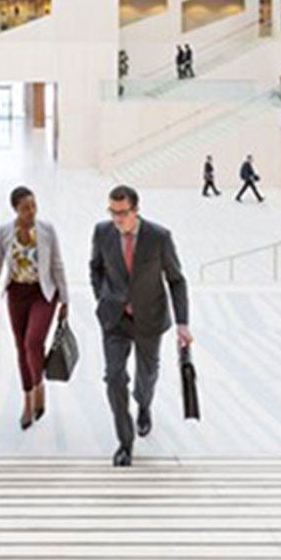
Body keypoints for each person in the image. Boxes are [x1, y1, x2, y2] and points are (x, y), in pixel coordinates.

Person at [90, 186, 192, 467]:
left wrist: (183, 323)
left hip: (149, 317)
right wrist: (103, 296)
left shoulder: (158, 237)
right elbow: (95, 267)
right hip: (115, 318)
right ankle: (125, 442)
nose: (117, 218)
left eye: (122, 213)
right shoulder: (102, 232)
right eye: (112, 211)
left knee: (146, 375)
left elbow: (176, 280)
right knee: (113, 377)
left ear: (135, 210)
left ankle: (144, 405)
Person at [0, 186, 69, 430]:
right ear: (15, 209)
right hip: (16, 293)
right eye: (25, 207)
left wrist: (65, 300)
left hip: (43, 293)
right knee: (21, 348)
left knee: (32, 342)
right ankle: (28, 400)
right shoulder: (4, 232)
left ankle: (39, 386)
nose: (31, 211)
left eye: (33, 206)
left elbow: (58, 264)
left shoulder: (47, 230)